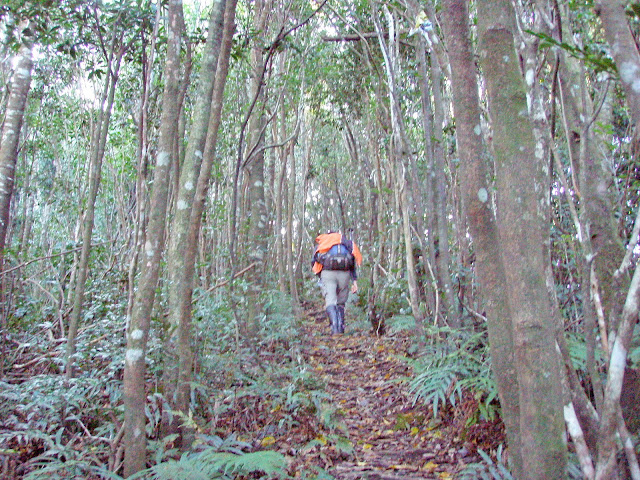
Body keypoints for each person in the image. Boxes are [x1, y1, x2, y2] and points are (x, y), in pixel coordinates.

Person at [311, 230, 362, 334]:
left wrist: (320, 276)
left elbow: (314, 260)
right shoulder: (346, 243)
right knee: (341, 302)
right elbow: (352, 263)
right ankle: (341, 326)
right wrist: (354, 281)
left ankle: (334, 326)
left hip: (328, 273)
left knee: (330, 301)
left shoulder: (324, 242)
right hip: (345, 274)